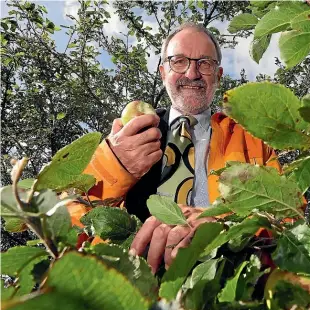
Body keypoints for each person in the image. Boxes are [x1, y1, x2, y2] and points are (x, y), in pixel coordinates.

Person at [69, 22, 281, 273]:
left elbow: (286, 219)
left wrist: (223, 229)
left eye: (204, 63)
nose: (192, 73)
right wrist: (114, 166)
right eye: (179, 61)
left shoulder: (253, 140)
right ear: (162, 71)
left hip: (230, 284)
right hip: (131, 285)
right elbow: (68, 226)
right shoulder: (126, 138)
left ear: (219, 75)